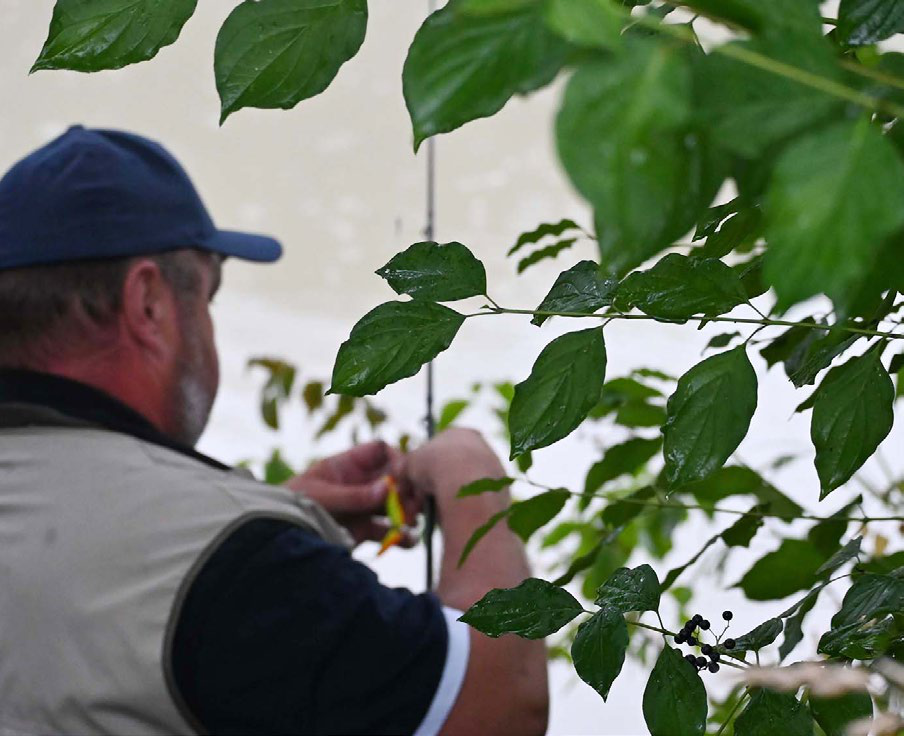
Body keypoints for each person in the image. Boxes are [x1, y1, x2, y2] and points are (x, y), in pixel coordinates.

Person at [0, 126, 548, 736]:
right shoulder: (233, 565)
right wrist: (473, 480)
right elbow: (502, 701)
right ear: (149, 305)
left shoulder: (224, 559)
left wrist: (275, 514)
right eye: (209, 297)